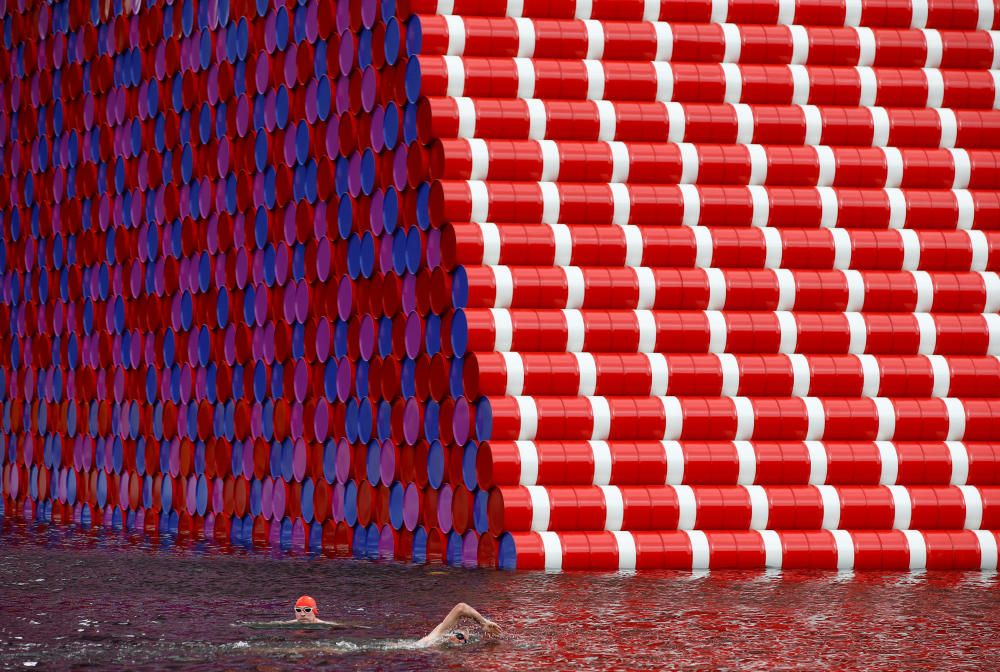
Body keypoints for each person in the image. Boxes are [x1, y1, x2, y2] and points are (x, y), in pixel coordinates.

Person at [416, 602, 501, 647]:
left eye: (460, 637)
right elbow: (461, 608)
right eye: (458, 635)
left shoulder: (436, 644)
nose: (455, 637)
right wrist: (484, 623)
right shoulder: (436, 636)